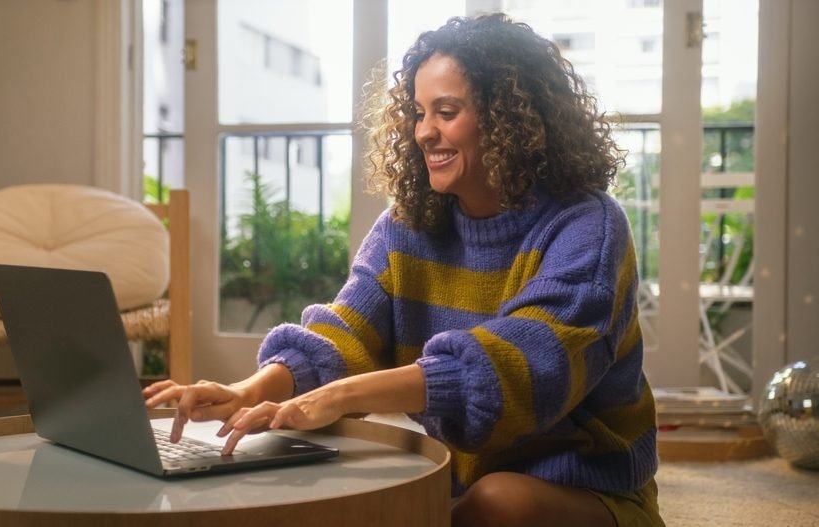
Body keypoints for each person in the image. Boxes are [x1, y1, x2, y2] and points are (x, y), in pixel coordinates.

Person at [145, 13, 663, 527]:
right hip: (459, 485)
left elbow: (522, 373)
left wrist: (338, 396)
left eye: (446, 111)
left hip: (586, 487)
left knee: (497, 502)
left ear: (510, 120)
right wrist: (250, 390)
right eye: (418, 113)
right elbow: (347, 330)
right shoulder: (406, 226)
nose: (423, 132)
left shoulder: (588, 225)